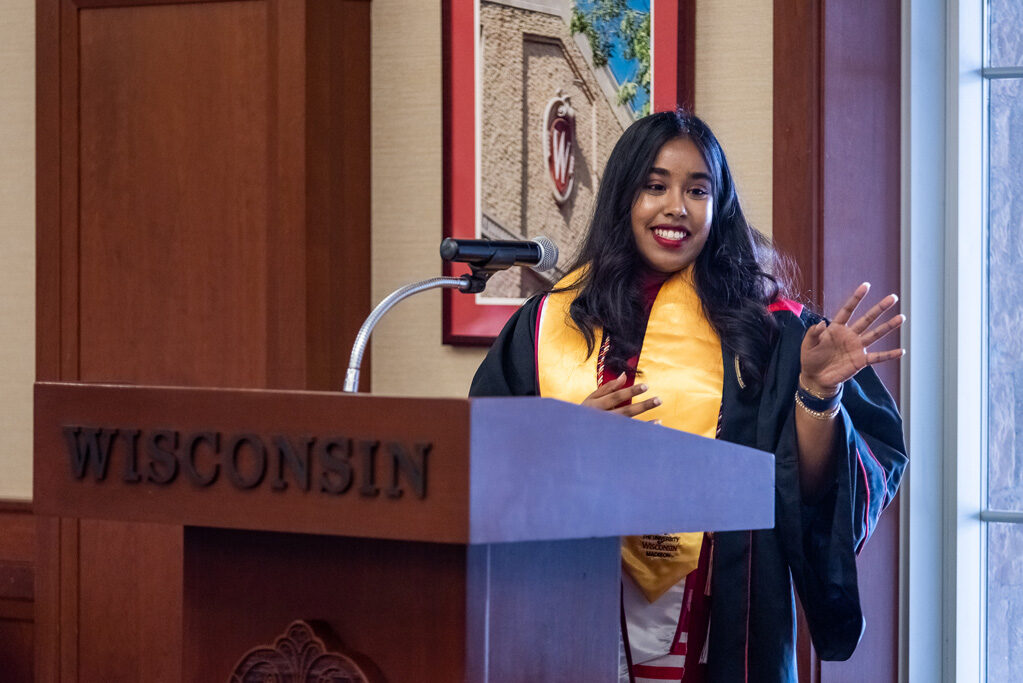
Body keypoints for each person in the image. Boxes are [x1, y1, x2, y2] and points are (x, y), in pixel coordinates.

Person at [469, 110, 908, 683]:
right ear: (624, 197)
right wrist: (563, 441)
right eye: (655, 186)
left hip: (720, 629)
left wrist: (817, 394)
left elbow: (810, 491)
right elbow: (478, 459)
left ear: (718, 205)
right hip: (566, 614)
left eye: (697, 190)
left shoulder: (773, 332)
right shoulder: (546, 323)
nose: (676, 206)